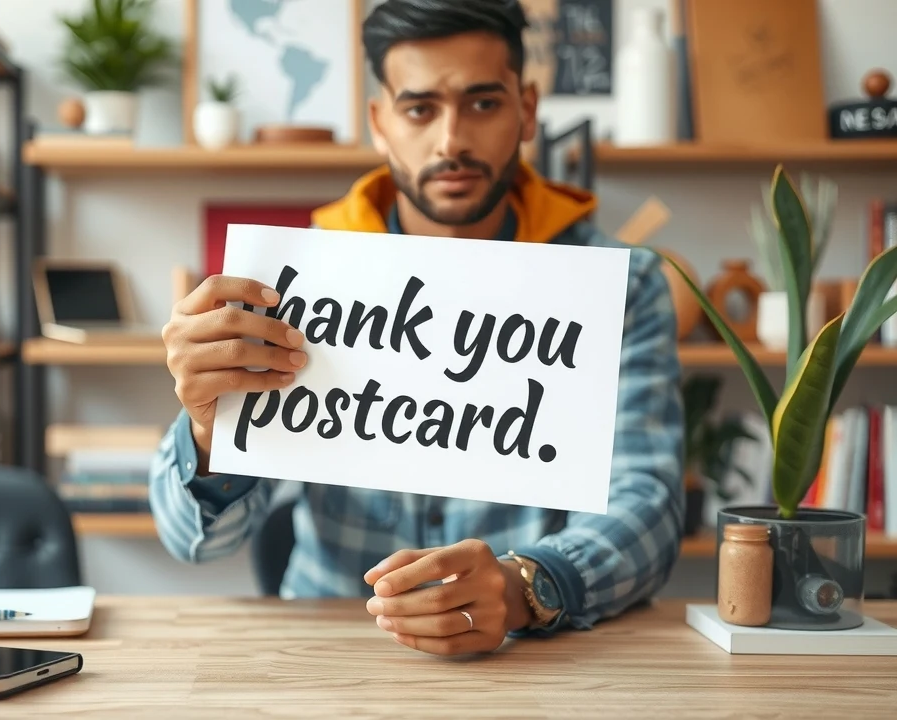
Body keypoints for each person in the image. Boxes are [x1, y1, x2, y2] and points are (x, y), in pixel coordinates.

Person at [149, 0, 684, 657]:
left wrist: (529, 585)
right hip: (324, 653)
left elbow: (647, 504)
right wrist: (208, 430)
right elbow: (196, 542)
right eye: (419, 108)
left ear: (528, 110)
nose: (451, 140)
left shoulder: (619, 285)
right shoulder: (298, 281)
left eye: (483, 104)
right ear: (380, 121)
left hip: (528, 659)